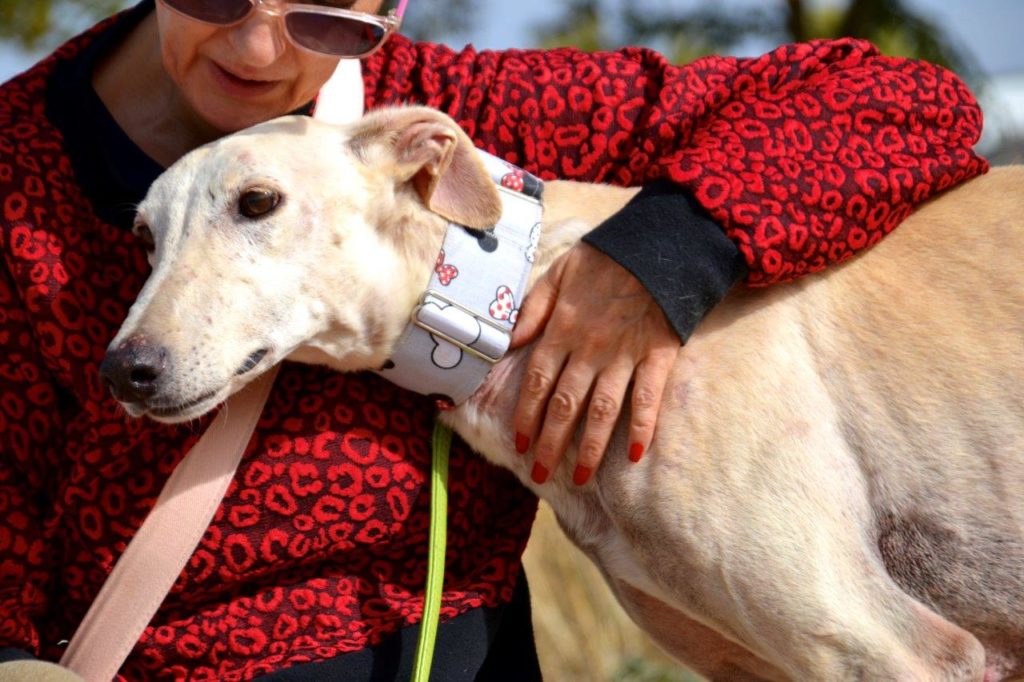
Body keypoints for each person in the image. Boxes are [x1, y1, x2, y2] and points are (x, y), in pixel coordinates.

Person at [0, 0, 986, 679]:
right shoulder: (16, 176)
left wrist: (654, 258)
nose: (260, 54)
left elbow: (900, 103)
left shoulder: (445, 105)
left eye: (324, 18)